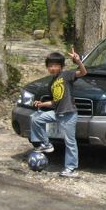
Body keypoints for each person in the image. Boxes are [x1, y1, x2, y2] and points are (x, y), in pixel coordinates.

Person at [30, 48, 87, 178]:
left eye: (55, 66)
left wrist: (78, 61)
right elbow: (54, 102)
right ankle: (46, 143)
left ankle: (71, 169)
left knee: (70, 142)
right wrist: (42, 104)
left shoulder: (66, 75)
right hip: (57, 113)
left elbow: (83, 72)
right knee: (36, 118)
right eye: (50, 66)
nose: (52, 68)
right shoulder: (52, 83)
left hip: (69, 114)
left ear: (61, 67)